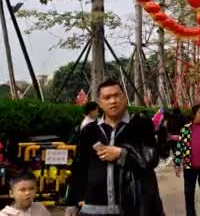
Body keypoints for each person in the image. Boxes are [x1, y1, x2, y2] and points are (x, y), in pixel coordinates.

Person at [65, 80, 164, 216]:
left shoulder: (141, 125)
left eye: (117, 95)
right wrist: (73, 202)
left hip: (132, 207)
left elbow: (152, 159)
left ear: (124, 97)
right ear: (100, 102)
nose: (113, 101)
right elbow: (80, 167)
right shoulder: (90, 130)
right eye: (107, 98)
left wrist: (122, 154)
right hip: (94, 208)